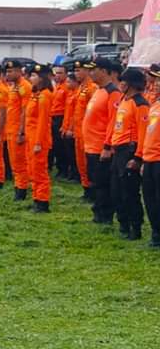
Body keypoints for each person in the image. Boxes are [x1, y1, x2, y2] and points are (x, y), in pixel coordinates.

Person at [110, 67, 149, 240]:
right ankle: (123, 223)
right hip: (118, 150)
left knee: (129, 192)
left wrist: (137, 157)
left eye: (123, 81)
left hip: (130, 151)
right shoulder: (124, 100)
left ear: (131, 84)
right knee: (116, 190)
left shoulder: (140, 104)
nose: (120, 84)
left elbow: (143, 132)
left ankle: (135, 227)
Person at [83, 58, 123, 225]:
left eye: (94, 70)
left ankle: (105, 215)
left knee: (103, 183)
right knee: (95, 181)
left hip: (101, 147)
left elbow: (113, 122)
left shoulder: (112, 92)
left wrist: (107, 146)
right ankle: (98, 210)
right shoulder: (98, 90)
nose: (90, 73)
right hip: (90, 145)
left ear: (105, 71)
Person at [25, 64, 54, 212]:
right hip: (31, 137)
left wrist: (38, 143)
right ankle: (36, 198)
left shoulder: (45, 96)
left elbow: (43, 121)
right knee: (32, 170)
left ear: (42, 78)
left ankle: (42, 201)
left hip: (39, 139)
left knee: (39, 171)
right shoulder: (36, 94)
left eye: (34, 76)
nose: (31, 78)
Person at [5, 60, 32, 200]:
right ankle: (18, 186)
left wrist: (21, 132)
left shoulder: (24, 87)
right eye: (7, 71)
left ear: (19, 71)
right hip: (10, 129)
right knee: (14, 162)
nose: (8, 74)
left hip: (18, 130)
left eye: (11, 71)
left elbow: (25, 110)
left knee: (20, 162)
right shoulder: (13, 87)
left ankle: (21, 190)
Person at [70, 61, 97, 200]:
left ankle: (92, 191)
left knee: (88, 163)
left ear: (87, 71)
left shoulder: (92, 88)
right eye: (75, 71)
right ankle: (86, 188)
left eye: (79, 70)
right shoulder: (81, 87)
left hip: (87, 133)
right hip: (78, 131)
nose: (76, 74)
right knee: (80, 162)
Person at [141, 64, 160, 247]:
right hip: (149, 159)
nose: (156, 83)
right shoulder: (154, 105)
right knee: (150, 199)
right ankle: (156, 234)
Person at [50, 65, 70, 177]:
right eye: (56, 73)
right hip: (53, 117)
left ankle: (64, 169)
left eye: (60, 73)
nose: (57, 75)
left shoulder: (67, 88)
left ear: (66, 74)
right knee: (56, 146)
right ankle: (60, 168)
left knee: (62, 146)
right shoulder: (56, 87)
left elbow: (68, 107)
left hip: (61, 117)